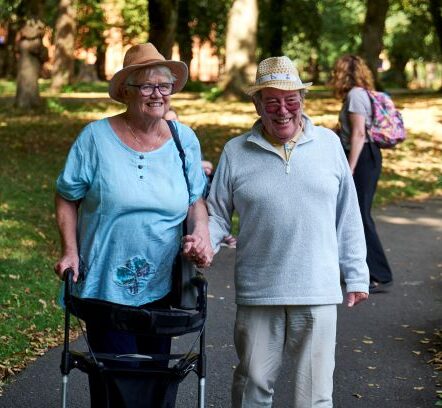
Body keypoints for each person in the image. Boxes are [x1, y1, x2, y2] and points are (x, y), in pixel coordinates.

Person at [191, 55, 370, 407]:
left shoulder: (329, 146)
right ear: (257, 104)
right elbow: (216, 215)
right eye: (271, 101)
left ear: (303, 101)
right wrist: (204, 243)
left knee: (315, 395)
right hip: (260, 289)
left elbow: (348, 214)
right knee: (252, 385)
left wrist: (357, 274)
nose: (282, 110)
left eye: (291, 100)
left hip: (317, 288)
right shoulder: (236, 151)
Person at [53, 42, 213, 406]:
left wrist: (201, 233)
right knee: (119, 385)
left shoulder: (183, 140)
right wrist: (70, 251)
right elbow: (66, 194)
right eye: (147, 86)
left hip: (165, 288)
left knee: (157, 381)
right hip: (103, 284)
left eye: (164, 86)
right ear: (126, 90)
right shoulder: (94, 139)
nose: (157, 94)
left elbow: (195, 200)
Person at [330, 54, 393, 294]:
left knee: (361, 216)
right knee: (356, 215)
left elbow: (359, 134)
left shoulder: (356, 95)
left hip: (363, 158)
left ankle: (380, 274)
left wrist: (350, 167)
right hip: (364, 156)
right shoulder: (358, 94)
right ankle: (364, 270)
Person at [164, 107, 237, 249]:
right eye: (168, 121)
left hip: (200, 189)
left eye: (174, 120)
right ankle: (215, 236)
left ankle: (213, 234)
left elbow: (205, 167)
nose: (172, 124)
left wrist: (202, 166)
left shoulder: (185, 141)